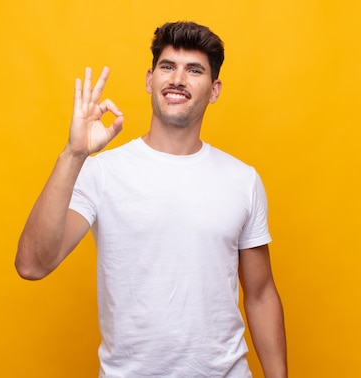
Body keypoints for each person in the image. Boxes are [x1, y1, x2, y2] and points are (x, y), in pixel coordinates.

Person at [16, 21, 287, 377]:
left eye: (194, 70)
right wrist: (73, 155)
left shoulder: (243, 180)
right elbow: (33, 265)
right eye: (167, 67)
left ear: (214, 89)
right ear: (149, 80)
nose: (178, 79)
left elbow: (261, 293)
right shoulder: (102, 172)